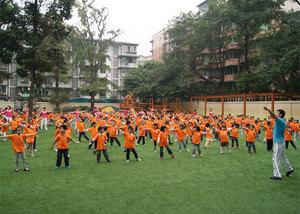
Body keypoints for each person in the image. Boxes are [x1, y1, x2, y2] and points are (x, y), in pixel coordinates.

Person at [263, 107, 294, 180]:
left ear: (280, 115)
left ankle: (277, 175)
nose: (276, 114)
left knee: (275, 158)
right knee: (283, 157)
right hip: (280, 142)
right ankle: (289, 169)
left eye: (277, 113)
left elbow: (273, 115)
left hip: (278, 142)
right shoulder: (281, 121)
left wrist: (268, 110)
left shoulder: (280, 120)